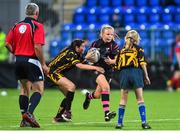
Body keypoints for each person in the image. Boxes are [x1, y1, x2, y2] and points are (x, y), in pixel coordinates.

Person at [5, 3, 49, 128]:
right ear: (37, 13)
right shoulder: (37, 26)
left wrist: (17, 53)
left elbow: (7, 44)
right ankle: (29, 114)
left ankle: (24, 120)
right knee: (39, 89)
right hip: (32, 61)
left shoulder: (16, 25)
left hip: (18, 60)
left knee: (24, 89)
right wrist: (43, 64)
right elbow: (37, 46)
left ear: (26, 12)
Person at [46, 39, 104, 123]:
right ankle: (67, 112)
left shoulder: (75, 53)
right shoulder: (71, 53)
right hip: (52, 72)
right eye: (82, 46)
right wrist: (96, 68)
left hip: (56, 72)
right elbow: (80, 66)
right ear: (77, 47)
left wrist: (87, 60)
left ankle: (58, 118)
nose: (84, 48)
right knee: (71, 86)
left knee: (68, 96)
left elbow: (82, 62)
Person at [105, 30, 151, 129]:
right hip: (135, 72)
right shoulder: (139, 49)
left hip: (124, 73)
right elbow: (142, 63)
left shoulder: (121, 51)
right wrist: (146, 76)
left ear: (126, 38)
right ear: (137, 39)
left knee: (123, 99)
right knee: (140, 99)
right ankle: (144, 123)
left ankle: (119, 123)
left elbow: (116, 65)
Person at [82, 25, 119, 121]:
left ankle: (89, 96)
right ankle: (107, 113)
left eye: (111, 34)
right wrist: (89, 57)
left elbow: (117, 60)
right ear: (102, 34)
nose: (109, 36)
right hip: (96, 69)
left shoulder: (114, 45)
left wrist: (111, 61)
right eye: (107, 34)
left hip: (108, 72)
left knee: (97, 95)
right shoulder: (95, 44)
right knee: (106, 87)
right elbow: (88, 57)